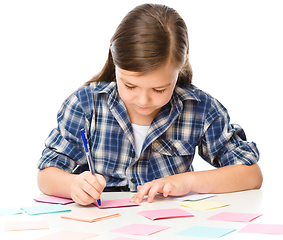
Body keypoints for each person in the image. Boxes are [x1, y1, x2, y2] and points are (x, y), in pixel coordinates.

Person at [37, 3, 262, 206]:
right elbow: (46, 176)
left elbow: (251, 175)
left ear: (179, 69)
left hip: (169, 229)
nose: (143, 100)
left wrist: (186, 181)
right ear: (115, 64)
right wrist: (73, 186)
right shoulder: (86, 103)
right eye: (130, 86)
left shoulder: (200, 108)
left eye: (159, 89)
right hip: (100, 227)